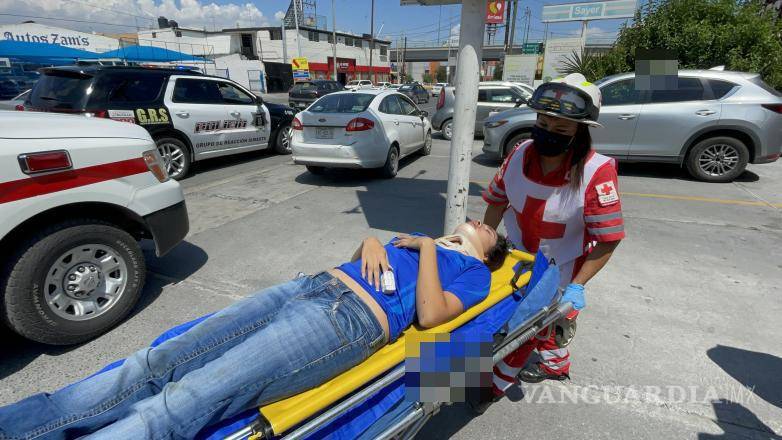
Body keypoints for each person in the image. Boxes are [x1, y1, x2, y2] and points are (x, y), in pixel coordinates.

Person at [0, 221, 509, 440]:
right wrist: (370, 241)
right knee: (152, 363)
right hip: (306, 288)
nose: (480, 222)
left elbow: (430, 315)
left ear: (488, 251)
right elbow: (365, 264)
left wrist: (425, 247)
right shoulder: (421, 243)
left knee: (187, 397)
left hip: (347, 321)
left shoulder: (477, 273)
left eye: (488, 230)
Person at [482, 73, 625, 393]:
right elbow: (495, 203)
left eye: (561, 129)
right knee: (521, 321)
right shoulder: (518, 154)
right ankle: (557, 364)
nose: (548, 134)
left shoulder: (596, 171)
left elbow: (609, 238)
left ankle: (491, 386)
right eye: (543, 124)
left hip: (560, 265)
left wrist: (577, 285)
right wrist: (481, 248)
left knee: (524, 328)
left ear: (581, 131)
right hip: (515, 258)